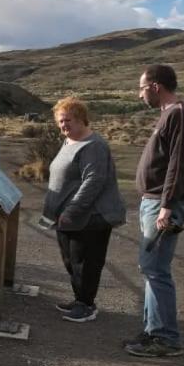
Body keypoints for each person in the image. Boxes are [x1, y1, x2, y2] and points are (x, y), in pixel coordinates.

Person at [124, 64, 184, 358]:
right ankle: (152, 331)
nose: (140, 94)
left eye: (142, 88)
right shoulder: (169, 114)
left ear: (156, 86)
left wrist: (167, 205)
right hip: (156, 202)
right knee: (151, 268)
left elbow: (180, 163)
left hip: (164, 204)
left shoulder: (179, 113)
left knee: (155, 269)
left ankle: (166, 338)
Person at [42, 97, 126, 323]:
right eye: (60, 121)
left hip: (90, 218)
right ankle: (80, 299)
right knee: (72, 261)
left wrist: (71, 210)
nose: (63, 126)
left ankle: (87, 305)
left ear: (81, 119)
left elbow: (93, 181)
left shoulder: (94, 146)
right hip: (67, 218)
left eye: (67, 120)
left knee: (86, 263)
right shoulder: (69, 141)